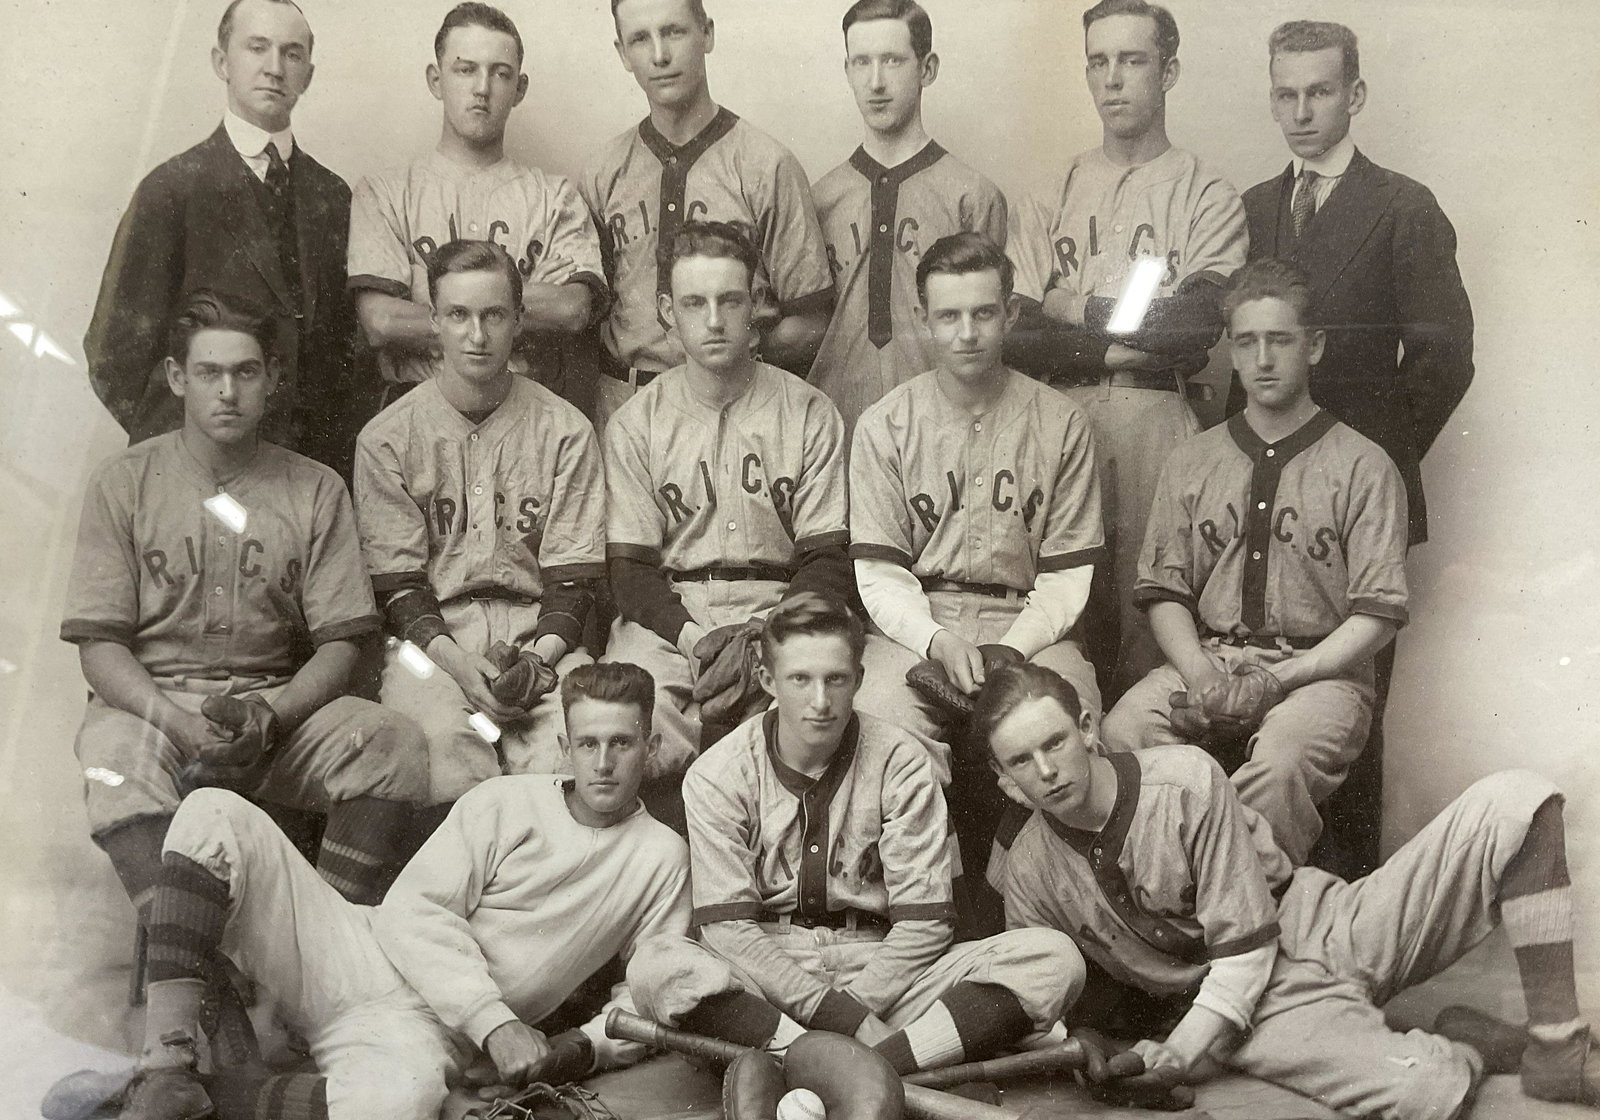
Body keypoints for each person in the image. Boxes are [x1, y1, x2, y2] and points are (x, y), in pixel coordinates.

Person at [980, 661, 1600, 1119]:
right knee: (1427, 1093)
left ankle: (1555, 1048)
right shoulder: (1029, 871)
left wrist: (1183, 1052)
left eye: (1055, 741)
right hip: (1260, 1006)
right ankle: (1468, 1044)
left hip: (1325, 921)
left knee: (1517, 803)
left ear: (1088, 728)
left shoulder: (1185, 779)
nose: (1047, 770)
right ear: (1003, 779)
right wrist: (1089, 1046)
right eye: (1021, 760)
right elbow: (1047, 992)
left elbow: (1246, 943)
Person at [95, 662, 689, 1120]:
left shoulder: (662, 856)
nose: (603, 763)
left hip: (429, 1033)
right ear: (565, 747)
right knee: (214, 812)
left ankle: (200, 1099)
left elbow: (649, 988)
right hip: (356, 951)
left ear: (652, 747)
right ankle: (166, 1064)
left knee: (400, 1102)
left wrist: (578, 1048)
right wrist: (494, 1022)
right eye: (588, 743)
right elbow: (411, 914)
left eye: (622, 743)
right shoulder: (504, 801)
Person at [62, 290, 427, 933]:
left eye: (245, 372)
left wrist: (273, 718)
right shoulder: (123, 481)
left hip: (272, 710)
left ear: (272, 378)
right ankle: (197, 972)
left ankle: (317, 943)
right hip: (157, 709)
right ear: (178, 377)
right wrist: (177, 724)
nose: (227, 392)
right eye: (209, 372)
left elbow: (341, 643)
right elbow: (100, 648)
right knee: (114, 759)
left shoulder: (316, 487)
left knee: (390, 743)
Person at [626, 593, 1081, 1076]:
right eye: (800, 679)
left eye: (836, 679)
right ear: (767, 680)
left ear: (859, 680)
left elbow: (926, 924)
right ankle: (883, 1065)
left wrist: (855, 1010)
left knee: (1053, 960)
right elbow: (729, 932)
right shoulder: (718, 771)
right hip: (770, 977)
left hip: (886, 971)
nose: (820, 701)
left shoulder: (902, 760)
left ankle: (816, 1066)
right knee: (656, 965)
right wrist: (844, 1019)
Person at [1238, 20, 1477, 875]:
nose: (1303, 111)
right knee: (1254, 706)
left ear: (1355, 94)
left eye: (1321, 91)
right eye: (1287, 94)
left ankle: (1347, 912)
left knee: (1346, 712)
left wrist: (1366, 467)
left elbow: (1445, 359)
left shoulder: (1404, 207)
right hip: (1257, 496)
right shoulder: (1253, 209)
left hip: (1354, 510)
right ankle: (1254, 905)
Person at [1100, 259, 1408, 866]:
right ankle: (1172, 906)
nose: (1263, 359)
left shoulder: (1364, 464)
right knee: (1123, 734)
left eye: (1280, 340)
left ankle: (1242, 909)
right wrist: (1201, 675)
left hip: (1320, 674)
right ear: (1233, 353)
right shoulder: (1192, 459)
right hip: (1210, 657)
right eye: (1246, 342)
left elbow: (1379, 615)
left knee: (1279, 766)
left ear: (1314, 346)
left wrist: (1280, 680)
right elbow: (1164, 592)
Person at [849, 234, 1103, 918]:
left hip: (1031, 623)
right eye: (949, 316)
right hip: (917, 622)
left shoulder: (1062, 421)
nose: (967, 332)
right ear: (924, 319)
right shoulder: (885, 424)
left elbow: (1068, 576)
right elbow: (880, 572)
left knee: (1072, 721)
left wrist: (1011, 650)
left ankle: (1031, 905)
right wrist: (935, 640)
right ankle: (925, 912)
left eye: (984, 313)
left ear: (1010, 314)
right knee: (879, 725)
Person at [1005, 0, 1247, 694]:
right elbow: (1016, 332)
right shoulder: (1051, 189)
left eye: (1132, 60)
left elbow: (1192, 324)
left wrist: (1074, 306)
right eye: (1098, 62)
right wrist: (1114, 349)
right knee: (1055, 614)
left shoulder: (1206, 192)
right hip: (1056, 417)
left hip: (1156, 423)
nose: (1112, 79)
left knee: (1154, 612)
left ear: (1168, 72)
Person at [354, 239, 603, 807]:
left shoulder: (566, 430)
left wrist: (537, 662)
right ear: (433, 321)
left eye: (493, 315)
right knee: (449, 754)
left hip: (542, 637)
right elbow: (399, 589)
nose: (477, 335)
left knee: (566, 757)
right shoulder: (387, 437)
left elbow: (573, 582)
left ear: (519, 320)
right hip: (431, 647)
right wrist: (460, 666)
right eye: (458, 315)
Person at [601, 221, 855, 773]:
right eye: (694, 303)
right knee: (632, 719)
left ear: (756, 305)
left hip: (781, 605)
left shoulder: (810, 412)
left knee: (803, 724)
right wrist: (695, 639)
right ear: (667, 311)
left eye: (730, 301)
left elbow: (827, 559)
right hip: (672, 620)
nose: (714, 321)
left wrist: (768, 634)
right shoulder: (636, 423)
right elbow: (630, 570)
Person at [84, 0, 358, 477]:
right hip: (201, 475)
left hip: (307, 475)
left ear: (308, 75)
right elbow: (115, 353)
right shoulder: (173, 188)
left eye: (292, 54)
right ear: (221, 62)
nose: (274, 67)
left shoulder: (333, 195)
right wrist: (194, 451)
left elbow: (344, 354)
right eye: (257, 47)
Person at [579, 0, 834, 429]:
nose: (660, 55)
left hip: (734, 404)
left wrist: (726, 358)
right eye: (640, 39)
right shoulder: (603, 172)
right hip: (626, 401)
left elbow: (812, 321)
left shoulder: (765, 164)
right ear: (622, 54)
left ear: (707, 34)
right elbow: (586, 317)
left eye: (674, 31)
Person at [347, 2, 607, 418]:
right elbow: (380, 322)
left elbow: (572, 310)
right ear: (436, 80)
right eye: (465, 69)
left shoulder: (555, 196)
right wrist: (518, 297)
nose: (482, 88)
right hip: (416, 414)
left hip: (527, 418)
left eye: (500, 73)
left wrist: (427, 294)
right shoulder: (384, 193)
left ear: (519, 88)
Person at [808, 0, 1007, 434]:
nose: (876, 82)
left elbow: (992, 338)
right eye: (862, 62)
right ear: (847, 71)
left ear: (927, 69)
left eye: (893, 61)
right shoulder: (820, 199)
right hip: (837, 428)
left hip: (945, 429)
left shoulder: (973, 196)